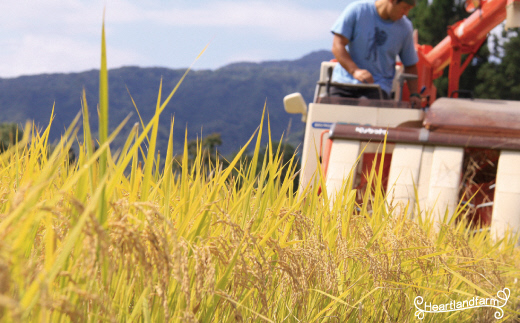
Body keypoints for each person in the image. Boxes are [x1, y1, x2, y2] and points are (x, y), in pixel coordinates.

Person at [330, 0, 421, 107]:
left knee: (367, 111)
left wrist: (414, 93)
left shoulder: (405, 28)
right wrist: (355, 71)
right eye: (404, 8)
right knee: (333, 116)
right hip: (344, 83)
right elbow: (337, 45)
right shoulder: (358, 10)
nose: (406, 14)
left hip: (378, 88)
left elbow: (410, 64)